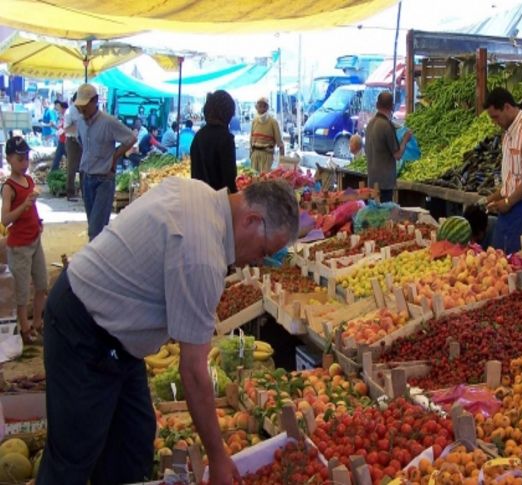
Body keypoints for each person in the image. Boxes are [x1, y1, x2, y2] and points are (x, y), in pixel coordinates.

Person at [37, 177, 299, 485]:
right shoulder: (204, 254)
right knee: (74, 454)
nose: (261, 260)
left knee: (132, 441)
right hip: (84, 328)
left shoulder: (200, 194)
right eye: (265, 250)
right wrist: (217, 457)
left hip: (118, 337)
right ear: (252, 220)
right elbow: (193, 371)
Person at [484, 87, 522, 255]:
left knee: (521, 262)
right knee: (501, 260)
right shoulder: (507, 135)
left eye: (495, 117)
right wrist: (493, 198)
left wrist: (507, 202)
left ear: (507, 107)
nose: (494, 122)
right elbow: (512, 178)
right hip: (510, 208)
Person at [73, 83, 137, 241]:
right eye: (80, 107)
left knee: (96, 230)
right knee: (93, 225)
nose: (82, 111)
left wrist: (114, 157)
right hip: (86, 177)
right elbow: (81, 141)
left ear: (95, 101)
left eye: (85, 106)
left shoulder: (108, 122)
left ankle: (95, 262)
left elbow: (131, 138)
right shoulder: (80, 122)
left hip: (103, 179)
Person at [1, 137, 47, 345]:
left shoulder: (29, 181)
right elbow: (6, 219)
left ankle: (38, 322)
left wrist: (37, 221)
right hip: (19, 245)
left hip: (35, 239)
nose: (25, 163)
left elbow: (33, 209)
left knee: (41, 284)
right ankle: (25, 328)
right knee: (21, 290)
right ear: (9, 159)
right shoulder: (9, 187)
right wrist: (25, 206)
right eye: (20, 159)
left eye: (27, 158)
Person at [364, 91, 412, 203]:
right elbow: (398, 155)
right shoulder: (386, 126)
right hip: (384, 185)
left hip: (371, 180)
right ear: (392, 106)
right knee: (384, 216)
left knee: (374, 215)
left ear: (376, 105)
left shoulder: (370, 124)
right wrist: (405, 139)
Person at [191, 90, 238, 193]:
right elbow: (229, 181)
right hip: (218, 202)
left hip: (199, 198)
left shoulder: (198, 136)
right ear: (227, 113)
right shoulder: (225, 138)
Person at [249, 96, 285, 174]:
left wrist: (282, 163)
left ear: (267, 108)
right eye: (260, 106)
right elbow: (251, 140)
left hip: (267, 156)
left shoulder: (273, 122)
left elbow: (280, 144)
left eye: (264, 106)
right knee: (254, 181)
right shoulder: (254, 121)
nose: (262, 108)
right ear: (256, 108)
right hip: (255, 156)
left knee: (265, 181)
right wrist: (250, 155)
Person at [63, 93, 82, 201]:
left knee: (83, 167)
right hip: (72, 141)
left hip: (81, 141)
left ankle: (83, 191)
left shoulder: (82, 110)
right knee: (72, 167)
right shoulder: (70, 111)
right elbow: (66, 129)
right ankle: (70, 192)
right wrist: (78, 126)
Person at [50, 101, 69, 173]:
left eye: (60, 108)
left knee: (58, 158)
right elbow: (61, 129)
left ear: (64, 108)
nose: (59, 110)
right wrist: (55, 127)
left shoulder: (67, 117)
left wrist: (55, 128)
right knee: (57, 158)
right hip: (62, 141)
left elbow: (64, 129)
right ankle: (53, 172)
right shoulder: (63, 117)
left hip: (65, 142)